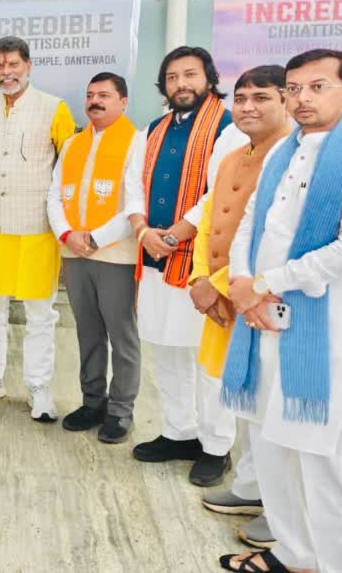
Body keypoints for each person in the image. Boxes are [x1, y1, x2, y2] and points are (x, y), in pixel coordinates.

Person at [219, 49, 342, 573]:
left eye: (317, 87)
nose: (302, 98)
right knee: (273, 446)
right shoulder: (283, 152)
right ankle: (294, 553)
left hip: (326, 335)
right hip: (265, 322)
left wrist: (265, 284)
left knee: (327, 460)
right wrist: (243, 284)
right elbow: (250, 223)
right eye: (294, 88)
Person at [127, 45, 246, 486]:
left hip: (201, 265)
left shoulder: (228, 129)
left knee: (205, 357)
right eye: (173, 76)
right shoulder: (151, 130)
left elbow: (221, 195)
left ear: (209, 78)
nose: (181, 84)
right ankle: (179, 432)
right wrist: (143, 230)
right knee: (166, 348)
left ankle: (216, 445)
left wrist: (175, 235)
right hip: (153, 257)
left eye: (190, 74)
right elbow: (131, 187)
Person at [192, 66, 291, 550]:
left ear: (287, 100)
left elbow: (272, 240)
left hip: (264, 303)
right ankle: (253, 488)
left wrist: (217, 285)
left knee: (274, 407)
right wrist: (199, 277)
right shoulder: (234, 156)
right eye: (242, 97)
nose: (247, 107)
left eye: (261, 97)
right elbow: (210, 219)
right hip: (225, 299)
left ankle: (285, 512)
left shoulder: (293, 159)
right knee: (246, 399)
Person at [0, 36, 76, 421]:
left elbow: (68, 167)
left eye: (13, 64)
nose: (6, 72)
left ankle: (39, 387)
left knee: (40, 312)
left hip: (36, 226)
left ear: (28, 66)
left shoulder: (54, 108)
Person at [48, 72, 145, 444]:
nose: (95, 101)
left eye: (104, 95)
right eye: (90, 94)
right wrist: (68, 234)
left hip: (116, 255)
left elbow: (135, 201)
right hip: (74, 253)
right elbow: (54, 195)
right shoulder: (74, 143)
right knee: (87, 332)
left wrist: (96, 238)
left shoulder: (137, 142)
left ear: (123, 102)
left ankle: (120, 411)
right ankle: (92, 401)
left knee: (122, 335)